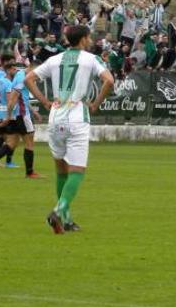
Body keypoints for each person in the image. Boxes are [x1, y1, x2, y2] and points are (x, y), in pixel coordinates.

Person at [24, 25, 114, 234]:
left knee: (60, 170)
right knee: (77, 171)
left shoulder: (55, 59)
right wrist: (96, 103)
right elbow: (109, 80)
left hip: (56, 117)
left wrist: (45, 101)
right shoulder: (91, 59)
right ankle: (58, 210)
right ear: (84, 39)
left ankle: (66, 220)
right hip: (77, 115)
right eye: (88, 37)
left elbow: (29, 78)